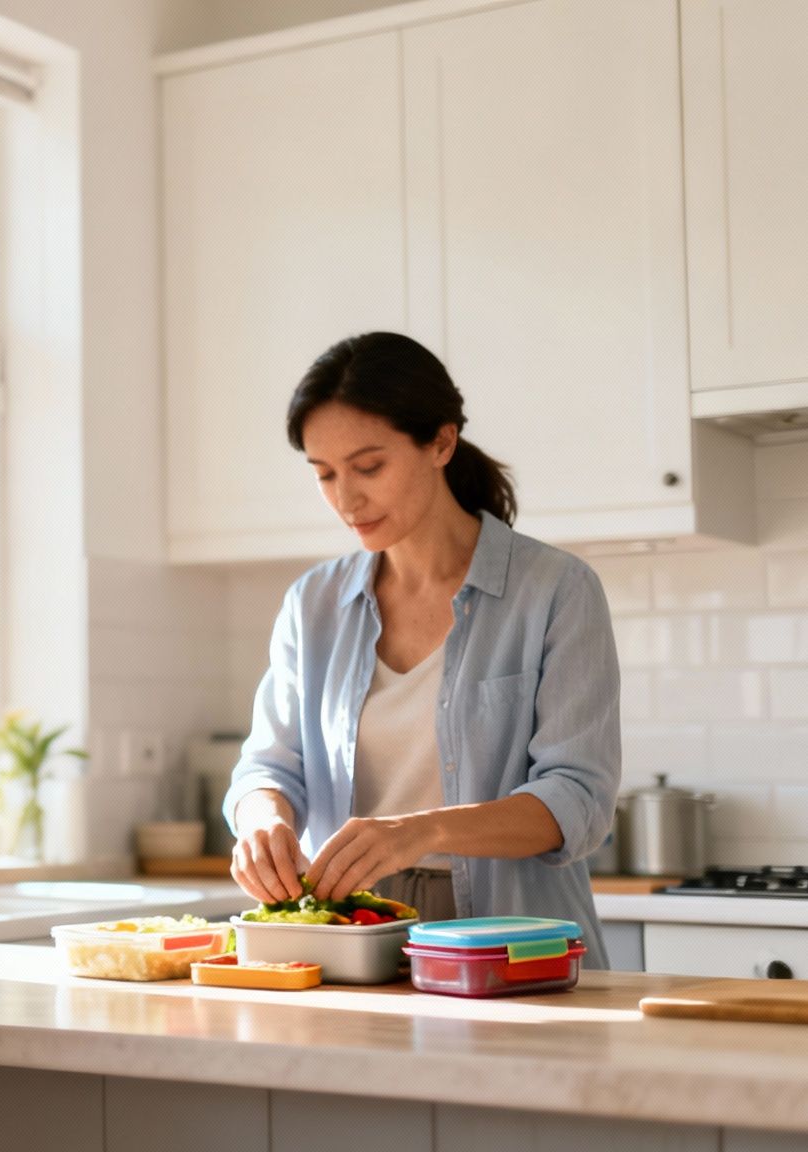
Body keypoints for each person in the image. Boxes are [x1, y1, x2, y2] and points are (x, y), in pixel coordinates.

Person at [225, 331, 620, 964]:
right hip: (350, 938)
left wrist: (423, 830)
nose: (345, 499)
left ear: (441, 441)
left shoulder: (555, 590)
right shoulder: (314, 603)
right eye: (324, 474)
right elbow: (270, 767)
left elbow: (578, 799)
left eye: (369, 466)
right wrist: (261, 820)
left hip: (508, 942)